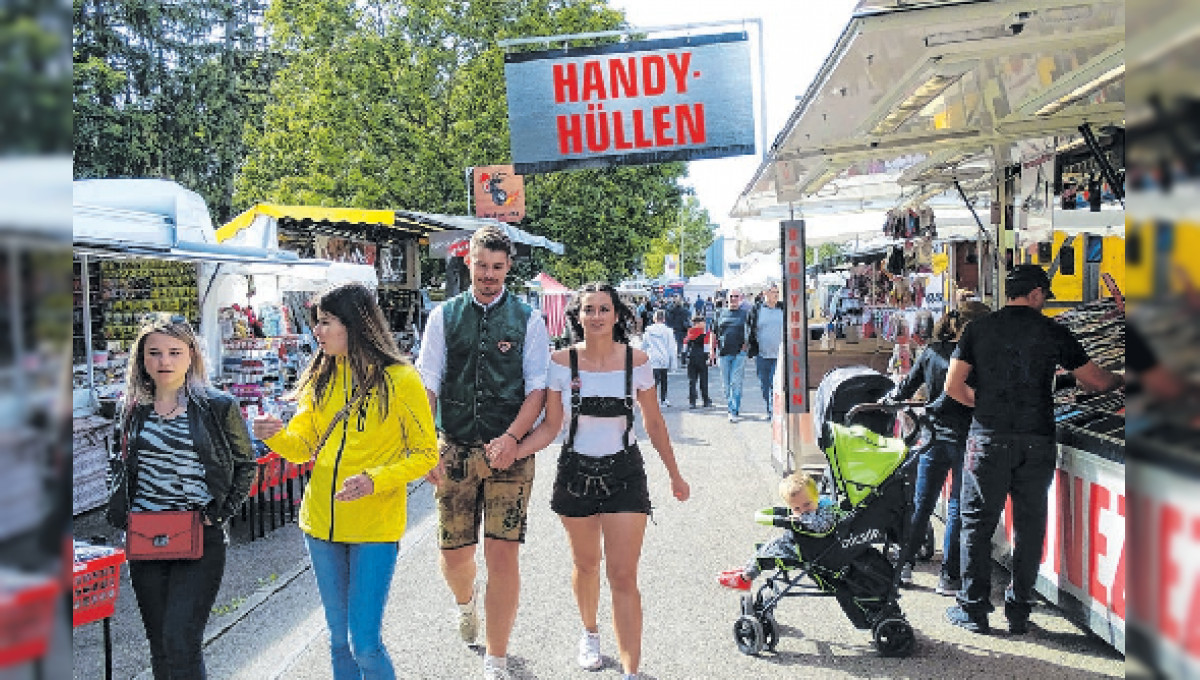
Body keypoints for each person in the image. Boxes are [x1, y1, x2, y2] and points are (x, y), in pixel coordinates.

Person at [253, 283, 438, 679]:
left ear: (354, 324)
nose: (316, 332)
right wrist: (274, 435)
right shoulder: (320, 376)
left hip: (374, 526)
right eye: (316, 323)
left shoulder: (402, 380)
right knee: (338, 643)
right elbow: (302, 446)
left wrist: (376, 479)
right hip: (320, 523)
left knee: (365, 644)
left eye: (325, 322)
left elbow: (426, 454)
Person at [515, 282, 689, 680]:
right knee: (586, 564)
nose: (596, 316)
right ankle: (589, 632)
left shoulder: (637, 360)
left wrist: (675, 475)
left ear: (616, 315)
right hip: (575, 472)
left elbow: (655, 422)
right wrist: (513, 450)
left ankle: (631, 670)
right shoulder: (560, 363)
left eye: (603, 309)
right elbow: (551, 427)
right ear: (578, 315)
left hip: (625, 472)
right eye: (588, 309)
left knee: (624, 575)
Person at [943, 265, 1123, 635]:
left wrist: (986, 405)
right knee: (1029, 526)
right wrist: (1123, 378)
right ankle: (1019, 611)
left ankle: (974, 610)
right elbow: (1095, 381)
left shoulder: (979, 329)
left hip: (988, 438)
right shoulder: (1053, 330)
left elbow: (952, 386)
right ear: (1038, 293)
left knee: (977, 525)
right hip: (1036, 439)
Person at [414, 226, 551, 680]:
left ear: (508, 266)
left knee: (503, 555)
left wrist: (513, 438)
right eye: (481, 265)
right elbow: (427, 384)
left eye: (497, 267)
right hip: (453, 448)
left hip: (509, 454)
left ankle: (497, 657)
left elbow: (537, 390)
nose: (489, 275)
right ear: (467, 262)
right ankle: (465, 600)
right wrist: (424, 446)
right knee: (455, 558)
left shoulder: (529, 319)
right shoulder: (444, 316)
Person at [107, 314, 256, 680]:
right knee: (159, 644)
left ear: (191, 354)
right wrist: (125, 517)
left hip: (199, 536)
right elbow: (120, 464)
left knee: (181, 640)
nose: (164, 362)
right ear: (142, 358)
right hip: (145, 537)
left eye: (174, 352)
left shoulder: (217, 406)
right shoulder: (131, 409)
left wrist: (217, 515)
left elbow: (246, 465)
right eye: (154, 352)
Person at [883, 302, 990, 591]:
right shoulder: (977, 357)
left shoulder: (931, 352)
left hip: (931, 436)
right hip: (968, 438)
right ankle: (949, 576)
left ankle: (904, 565)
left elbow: (905, 388)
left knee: (922, 503)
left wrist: (888, 401)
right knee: (957, 506)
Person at [715, 471, 836, 590]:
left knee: (765, 555)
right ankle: (747, 569)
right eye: (797, 508)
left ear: (816, 496)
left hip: (808, 550)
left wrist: (800, 518)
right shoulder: (813, 506)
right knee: (767, 547)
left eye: (807, 504)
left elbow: (822, 525)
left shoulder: (826, 510)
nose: (804, 510)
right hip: (797, 543)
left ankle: (745, 578)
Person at [712, 288, 750, 422]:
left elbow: (751, 330)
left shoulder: (745, 314)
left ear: (740, 298)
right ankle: (731, 406)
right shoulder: (720, 313)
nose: (733, 299)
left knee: (736, 382)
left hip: (739, 353)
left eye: (736, 296)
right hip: (723, 352)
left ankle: (733, 409)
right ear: (727, 298)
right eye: (731, 296)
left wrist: (746, 344)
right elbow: (714, 333)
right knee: (726, 384)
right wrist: (712, 352)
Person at [746, 283, 784, 420]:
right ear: (765, 293)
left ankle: (773, 412)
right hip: (762, 354)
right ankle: (769, 406)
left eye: (777, 292)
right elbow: (750, 328)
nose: (776, 295)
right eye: (773, 292)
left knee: (775, 384)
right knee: (764, 385)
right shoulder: (757, 310)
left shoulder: (782, 309)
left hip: (779, 355)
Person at [641, 309, 678, 407]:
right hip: (664, 358)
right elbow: (672, 347)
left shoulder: (648, 331)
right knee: (664, 380)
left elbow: (644, 346)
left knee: (653, 381)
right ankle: (664, 399)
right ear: (664, 319)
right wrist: (673, 363)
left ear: (654, 318)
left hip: (652, 357)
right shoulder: (668, 331)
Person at [683, 315, 714, 409]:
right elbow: (707, 347)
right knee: (703, 380)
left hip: (691, 358)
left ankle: (692, 401)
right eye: (703, 322)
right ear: (698, 323)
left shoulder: (689, 333)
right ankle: (705, 400)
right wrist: (709, 358)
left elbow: (685, 346)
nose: (704, 324)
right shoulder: (705, 334)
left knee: (692, 380)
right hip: (701, 358)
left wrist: (684, 357)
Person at [667, 299, 690, 366]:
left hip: (675, 329)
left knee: (677, 342)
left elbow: (669, 319)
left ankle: (678, 352)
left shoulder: (671, 311)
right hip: (683, 329)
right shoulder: (685, 311)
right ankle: (683, 355)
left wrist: (671, 326)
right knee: (684, 343)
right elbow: (688, 318)